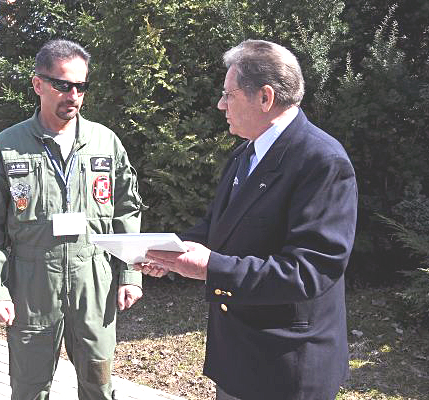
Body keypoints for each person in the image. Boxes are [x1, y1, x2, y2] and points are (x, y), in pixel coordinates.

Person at [136, 40, 358, 400]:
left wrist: (211, 267)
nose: (220, 104)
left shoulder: (321, 161)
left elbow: (310, 271)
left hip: (286, 365)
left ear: (265, 97)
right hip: (239, 357)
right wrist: (168, 253)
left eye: (229, 95)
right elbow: (218, 226)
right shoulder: (246, 153)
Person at [0, 39, 144, 400]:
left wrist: (131, 273)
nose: (74, 95)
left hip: (93, 283)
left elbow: (126, 211)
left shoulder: (105, 142)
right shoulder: (9, 146)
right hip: (32, 284)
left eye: (81, 86)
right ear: (38, 84)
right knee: (30, 388)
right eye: (64, 85)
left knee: (98, 384)